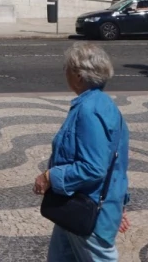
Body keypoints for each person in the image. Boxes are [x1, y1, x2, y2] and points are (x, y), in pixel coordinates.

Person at [34, 42, 130, 261]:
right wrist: (118, 204)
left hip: (88, 211)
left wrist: (49, 176)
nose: (64, 73)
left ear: (78, 75)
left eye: (67, 68)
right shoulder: (104, 104)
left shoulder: (89, 110)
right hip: (73, 207)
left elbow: (93, 167)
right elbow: (117, 162)